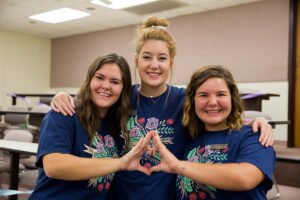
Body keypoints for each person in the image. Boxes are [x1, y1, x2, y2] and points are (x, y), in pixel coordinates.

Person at [50, 17, 273, 200]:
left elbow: (215, 115)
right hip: (121, 194)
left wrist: (253, 122)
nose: (154, 65)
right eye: (146, 57)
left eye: (162, 58)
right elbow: (99, 97)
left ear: (171, 63)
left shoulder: (184, 99)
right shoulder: (121, 98)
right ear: (136, 61)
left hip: (164, 194)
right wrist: (65, 97)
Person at [29, 53, 153, 200]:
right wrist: (119, 163)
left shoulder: (116, 124)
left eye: (115, 82)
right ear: (89, 80)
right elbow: (54, 166)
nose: (106, 86)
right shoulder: (64, 114)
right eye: (100, 78)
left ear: (123, 89)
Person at [149, 65, 275, 200]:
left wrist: (178, 166)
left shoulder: (255, 136)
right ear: (193, 101)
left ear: (232, 98)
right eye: (203, 95)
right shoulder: (188, 137)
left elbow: (244, 178)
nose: (213, 102)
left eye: (221, 94)